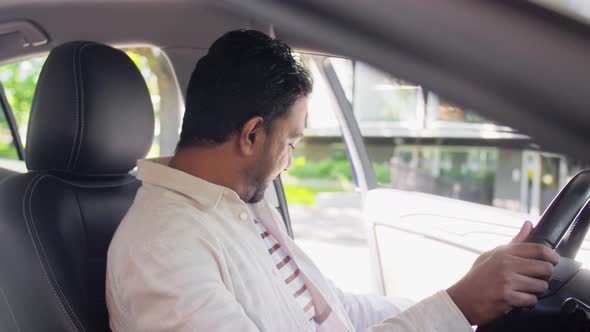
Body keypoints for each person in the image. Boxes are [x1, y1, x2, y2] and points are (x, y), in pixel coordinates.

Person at [105, 30, 559, 331]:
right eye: (290, 144)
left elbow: (336, 310)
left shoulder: (240, 206)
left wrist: (463, 291)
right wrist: (457, 307)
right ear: (251, 134)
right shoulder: (160, 250)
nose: (289, 162)